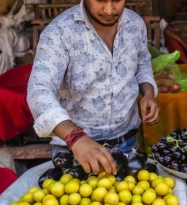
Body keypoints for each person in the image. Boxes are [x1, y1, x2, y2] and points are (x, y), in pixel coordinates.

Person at [27, 0, 159, 176]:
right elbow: (39, 90)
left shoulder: (135, 24)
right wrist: (75, 137)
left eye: (117, 1)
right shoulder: (59, 33)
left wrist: (148, 93)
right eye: (101, 0)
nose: (109, 10)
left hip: (127, 142)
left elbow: (142, 63)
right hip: (75, 150)